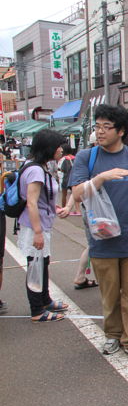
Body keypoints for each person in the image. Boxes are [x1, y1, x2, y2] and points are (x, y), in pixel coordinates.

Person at [70, 104, 128, 360]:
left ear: (121, 130)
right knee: (109, 295)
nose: (100, 132)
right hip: (102, 239)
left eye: (106, 127)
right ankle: (112, 335)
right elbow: (77, 193)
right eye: (97, 126)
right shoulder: (86, 158)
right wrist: (101, 178)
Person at [18, 129, 68, 322]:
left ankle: (45, 300)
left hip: (39, 224)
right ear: (48, 148)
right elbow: (31, 203)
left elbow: (39, 201)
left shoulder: (36, 166)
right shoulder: (36, 170)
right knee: (36, 266)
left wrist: (54, 209)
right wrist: (38, 232)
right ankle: (37, 309)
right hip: (34, 227)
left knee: (43, 263)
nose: (61, 150)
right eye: (58, 146)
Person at [56, 193, 99, 289]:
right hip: (96, 212)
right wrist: (68, 207)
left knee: (93, 244)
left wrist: (68, 207)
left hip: (90, 210)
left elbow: (76, 190)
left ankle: (80, 275)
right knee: (97, 244)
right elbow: (76, 190)